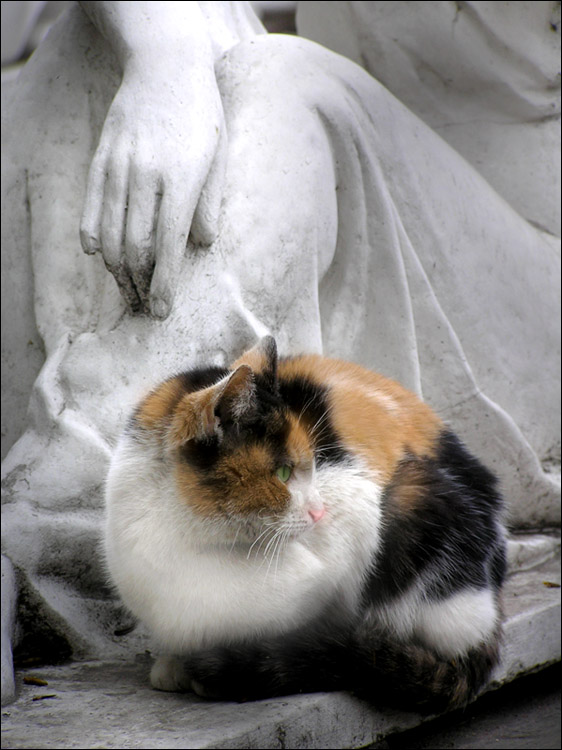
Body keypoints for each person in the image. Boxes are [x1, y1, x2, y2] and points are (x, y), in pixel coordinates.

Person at [2, 1, 559, 705]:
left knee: (286, 86)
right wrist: (164, 54)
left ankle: (42, 527)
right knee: (86, 46)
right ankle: (66, 496)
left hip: (533, 266)